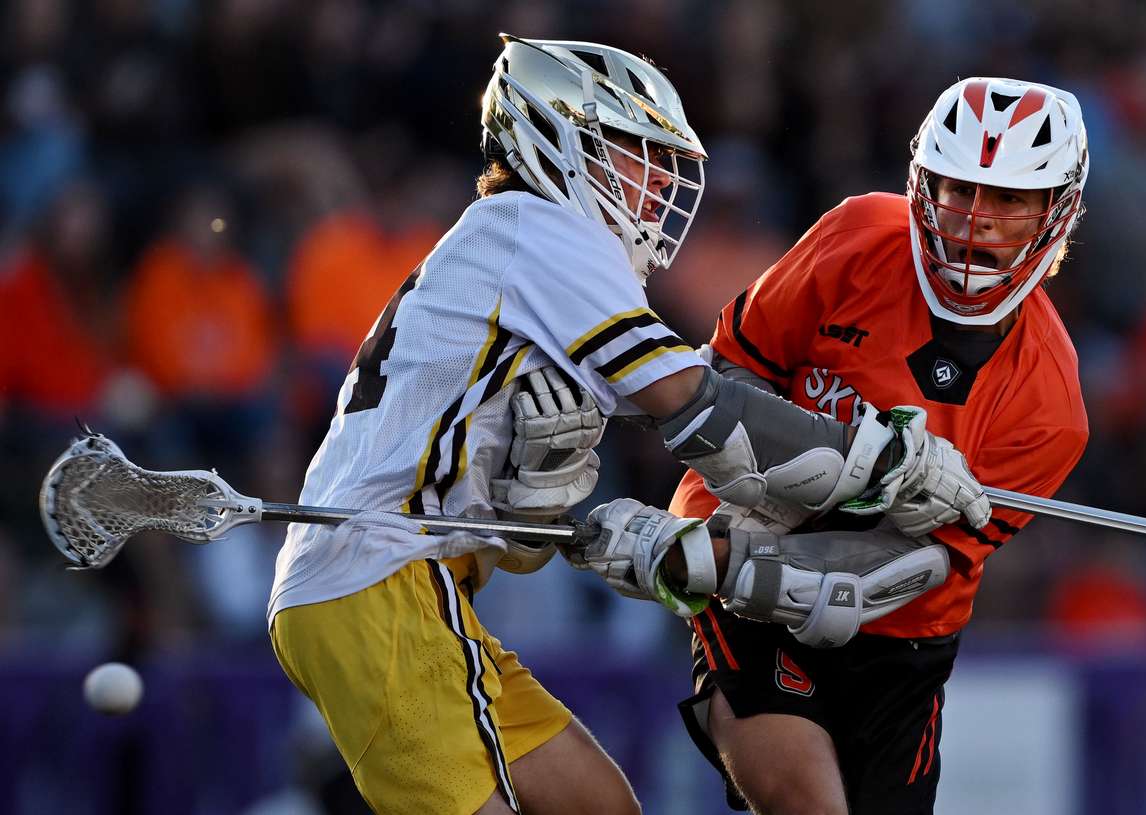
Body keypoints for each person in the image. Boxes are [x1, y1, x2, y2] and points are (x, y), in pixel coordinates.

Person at [267, 35, 986, 815]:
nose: (650, 183)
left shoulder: (509, 244)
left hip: (413, 583)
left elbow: (507, 539)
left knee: (599, 803)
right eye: (630, 151)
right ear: (555, 134)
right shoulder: (540, 228)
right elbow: (696, 402)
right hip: (375, 580)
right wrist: (880, 459)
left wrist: (536, 501)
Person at [564, 77, 1091, 814]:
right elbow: (724, 376)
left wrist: (733, 554)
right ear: (921, 182)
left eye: (1008, 199)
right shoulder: (858, 236)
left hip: (899, 636)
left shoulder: (1050, 405)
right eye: (958, 190)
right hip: (745, 541)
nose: (975, 221)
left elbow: (901, 565)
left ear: (1054, 212)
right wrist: (733, 531)